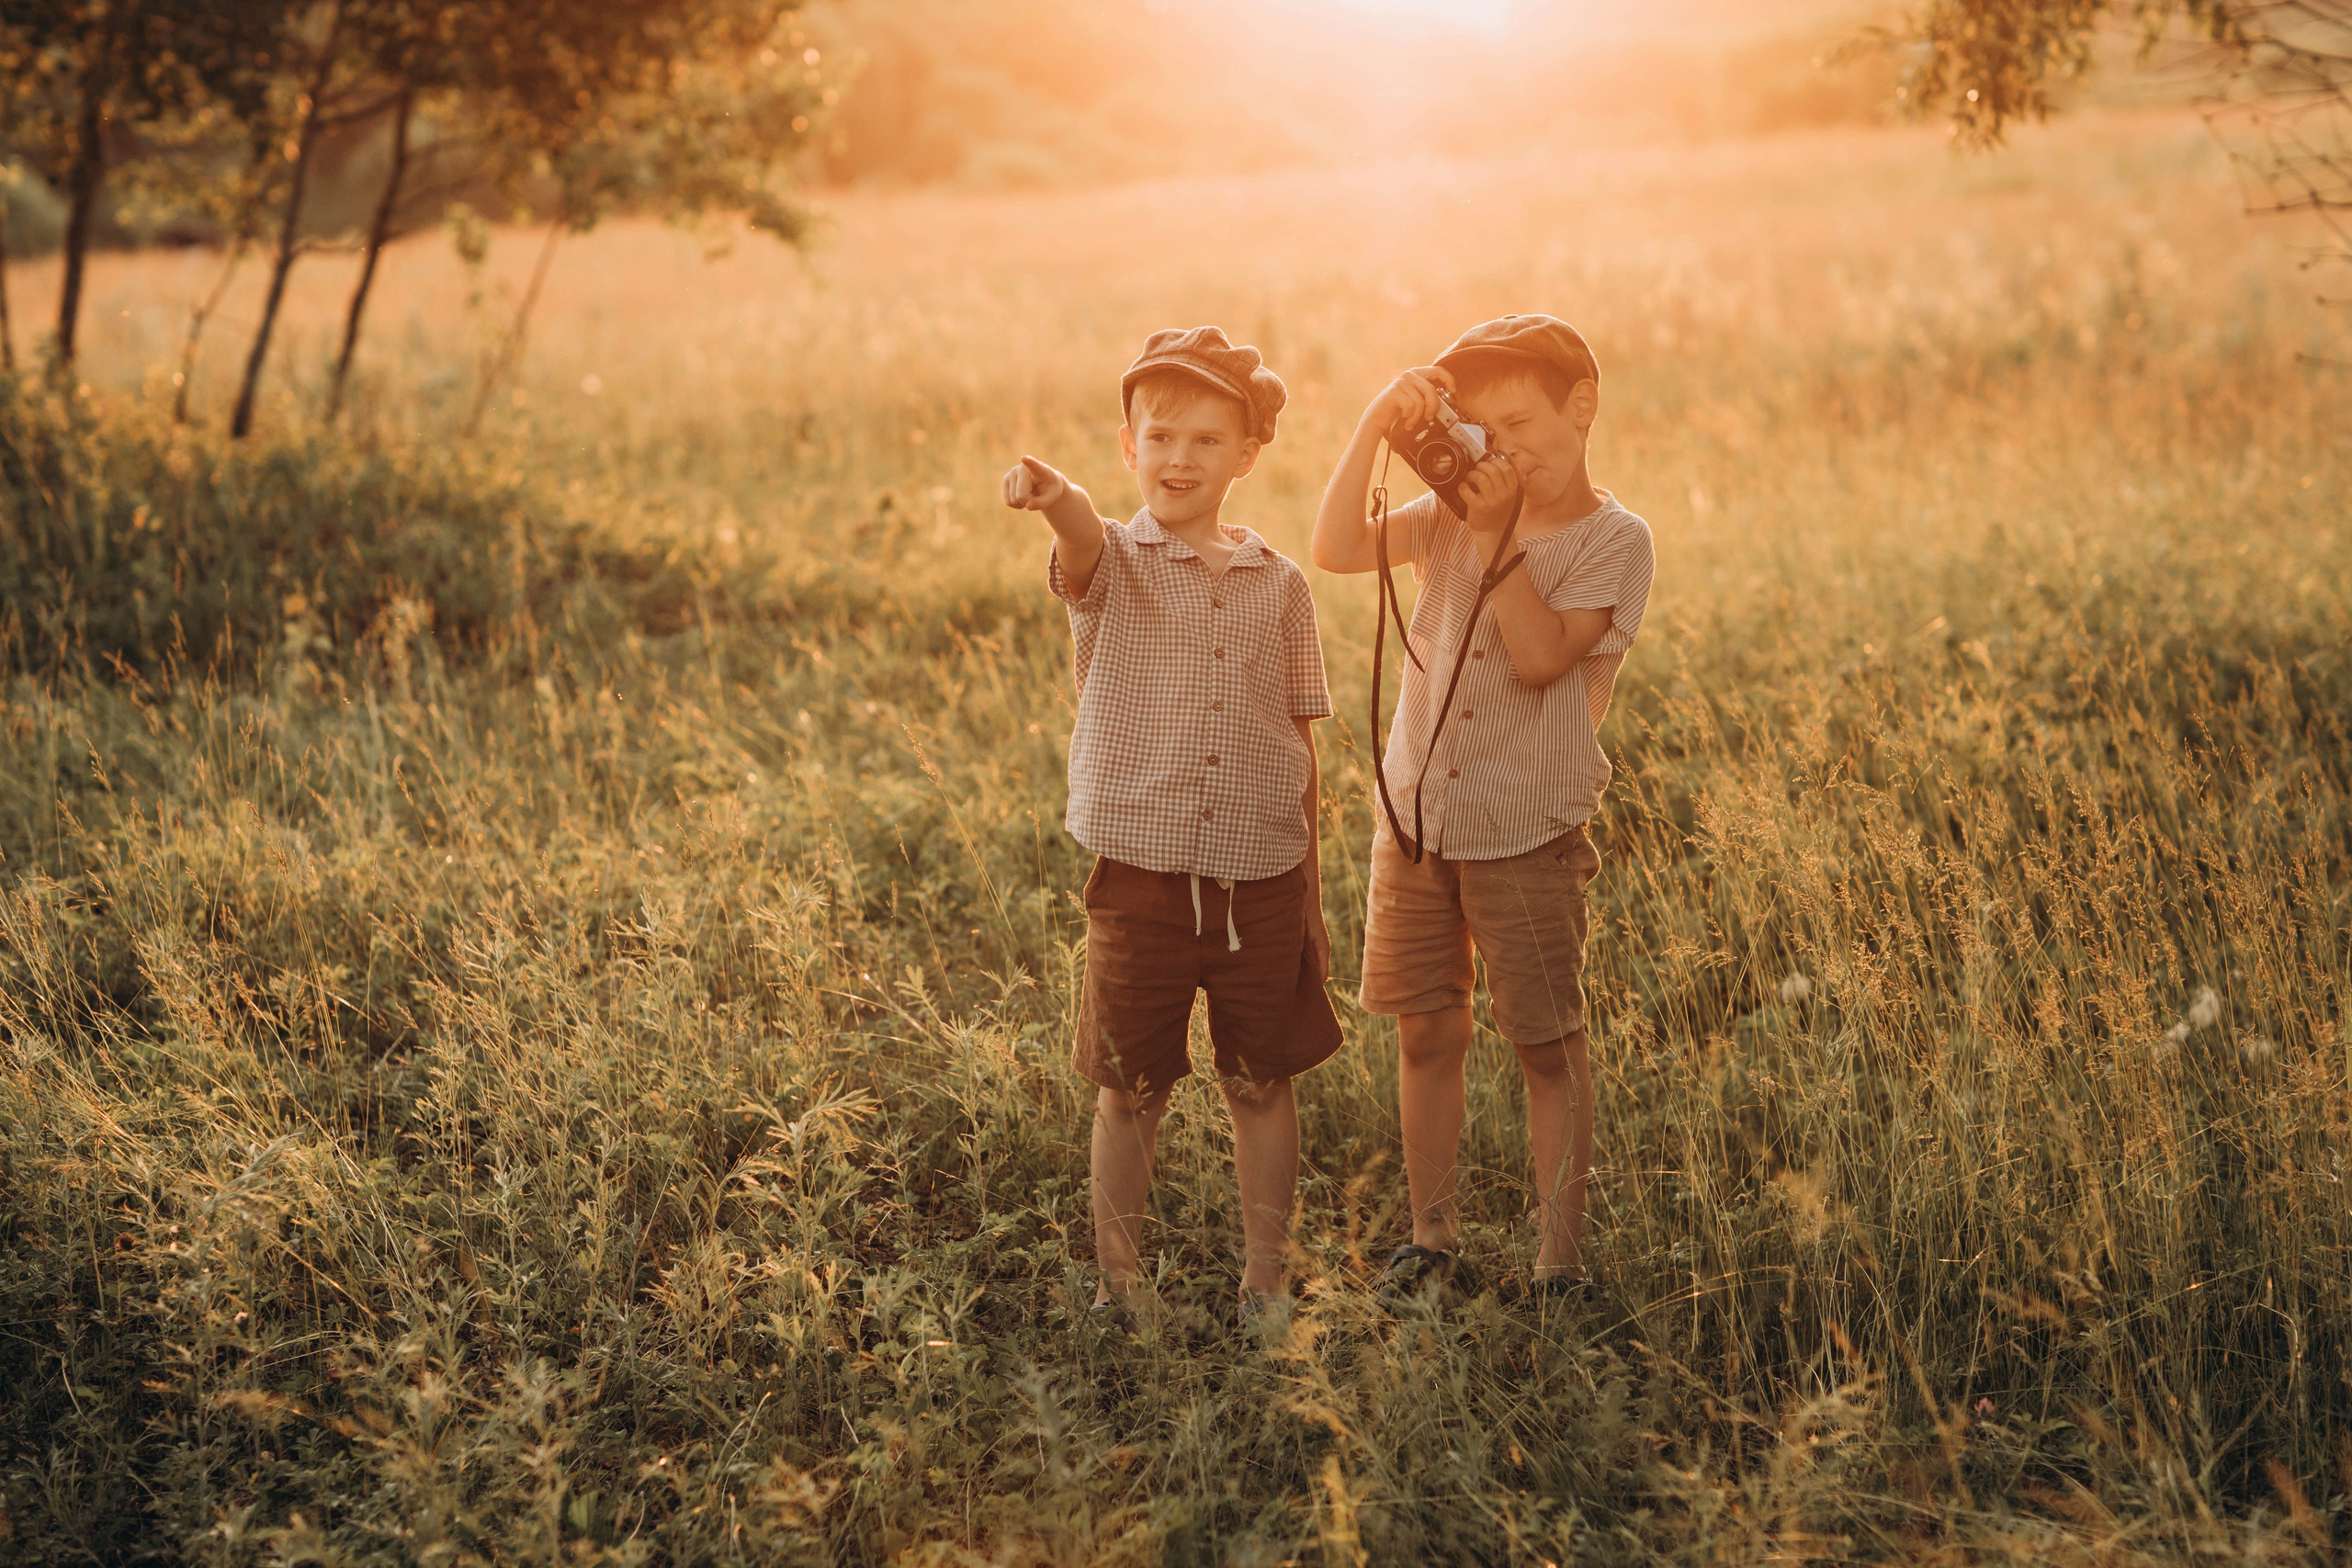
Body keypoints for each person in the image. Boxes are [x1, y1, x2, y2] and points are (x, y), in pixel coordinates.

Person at [1308, 314, 1655, 1305]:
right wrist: (1376, 424)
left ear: (1581, 407)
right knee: (1426, 1032)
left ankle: (1558, 1262)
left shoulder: (1614, 540)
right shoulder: (1450, 507)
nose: (1500, 452)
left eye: (1520, 425)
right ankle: (1432, 1238)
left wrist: (1498, 538)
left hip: (1526, 829)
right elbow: (1336, 546)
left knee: (1544, 1043)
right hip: (1417, 817)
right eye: (1482, 432)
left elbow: (1543, 658)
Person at [1003, 325, 1342, 1326]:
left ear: (1246, 456)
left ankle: (1265, 1281)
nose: (1179, 458)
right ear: (1129, 448)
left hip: (1260, 882)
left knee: (1260, 1083)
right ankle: (1119, 1283)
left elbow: (1299, 745)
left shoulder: (1280, 584)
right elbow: (1077, 531)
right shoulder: (1113, 559)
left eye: (1205, 440)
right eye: (1159, 437)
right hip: (1141, 883)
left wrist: (1312, 898)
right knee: (1129, 1088)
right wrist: (1053, 494)